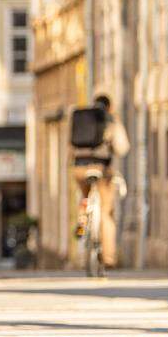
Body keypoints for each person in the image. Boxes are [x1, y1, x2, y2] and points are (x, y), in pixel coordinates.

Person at [71, 94, 129, 269]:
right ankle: (109, 257)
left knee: (84, 197)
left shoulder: (81, 117)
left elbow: (70, 146)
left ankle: (82, 223)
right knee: (106, 211)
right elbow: (122, 147)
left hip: (79, 168)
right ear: (109, 107)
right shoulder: (111, 119)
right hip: (101, 169)